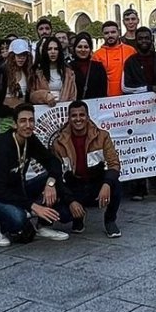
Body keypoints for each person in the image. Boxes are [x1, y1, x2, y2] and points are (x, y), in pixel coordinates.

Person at [0, 104, 69, 246]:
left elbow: (52, 161)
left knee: (56, 179)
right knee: (19, 218)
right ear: (14, 124)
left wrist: (51, 183)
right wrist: (33, 206)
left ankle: (43, 227)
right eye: (23, 121)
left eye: (31, 120)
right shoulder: (2, 147)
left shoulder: (30, 139)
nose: (28, 125)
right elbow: (0, 190)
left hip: (18, 190)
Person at [50, 100, 122, 237]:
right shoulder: (58, 143)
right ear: (69, 118)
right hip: (74, 184)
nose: (78, 119)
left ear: (88, 117)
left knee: (116, 186)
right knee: (63, 215)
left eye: (82, 115)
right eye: (74, 116)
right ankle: (78, 217)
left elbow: (114, 163)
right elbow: (58, 175)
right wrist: (71, 201)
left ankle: (110, 221)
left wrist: (107, 184)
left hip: (96, 182)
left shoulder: (103, 136)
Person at [122, 26, 156, 198]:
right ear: (136, 41)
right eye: (141, 38)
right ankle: (140, 187)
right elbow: (126, 88)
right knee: (140, 147)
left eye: (146, 38)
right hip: (139, 113)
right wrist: (149, 88)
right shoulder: (130, 62)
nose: (144, 41)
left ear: (151, 39)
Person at [0, 38, 34, 132]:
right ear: (12, 56)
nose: (21, 58)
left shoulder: (28, 73)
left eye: (24, 55)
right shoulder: (2, 72)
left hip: (22, 118)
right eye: (18, 55)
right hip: (5, 118)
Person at [93, 21, 136, 97]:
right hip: (106, 99)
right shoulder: (97, 55)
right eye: (106, 33)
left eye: (113, 32)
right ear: (102, 35)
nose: (110, 35)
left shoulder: (131, 51)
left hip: (129, 97)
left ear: (118, 33)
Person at [31, 35, 76, 106]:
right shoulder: (37, 72)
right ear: (45, 51)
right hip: (44, 112)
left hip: (63, 111)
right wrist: (45, 96)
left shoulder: (68, 72)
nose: (53, 52)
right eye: (49, 49)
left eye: (56, 49)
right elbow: (32, 96)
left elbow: (73, 96)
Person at [69, 33, 108, 100]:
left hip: (95, 105)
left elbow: (103, 90)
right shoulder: (68, 67)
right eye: (80, 47)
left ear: (90, 49)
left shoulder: (98, 67)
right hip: (75, 107)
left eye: (86, 47)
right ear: (74, 48)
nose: (83, 50)